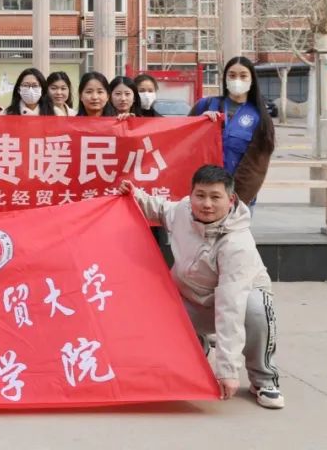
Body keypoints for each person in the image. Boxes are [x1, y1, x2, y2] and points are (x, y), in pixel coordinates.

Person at [120, 166, 284, 409]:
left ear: (230, 200)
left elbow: (230, 307)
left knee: (256, 308)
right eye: (200, 195)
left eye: (215, 197)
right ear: (191, 195)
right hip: (189, 300)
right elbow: (160, 209)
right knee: (146, 310)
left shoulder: (237, 244)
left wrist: (227, 371)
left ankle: (263, 379)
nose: (207, 204)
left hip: (235, 302)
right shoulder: (183, 211)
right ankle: (199, 345)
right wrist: (135, 195)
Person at [190, 56, 276, 206]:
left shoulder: (259, 117)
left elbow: (255, 168)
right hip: (202, 196)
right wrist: (199, 123)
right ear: (225, 79)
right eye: (232, 75)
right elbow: (183, 143)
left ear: (252, 80)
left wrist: (234, 201)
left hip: (236, 198)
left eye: (243, 76)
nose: (237, 80)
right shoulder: (205, 105)